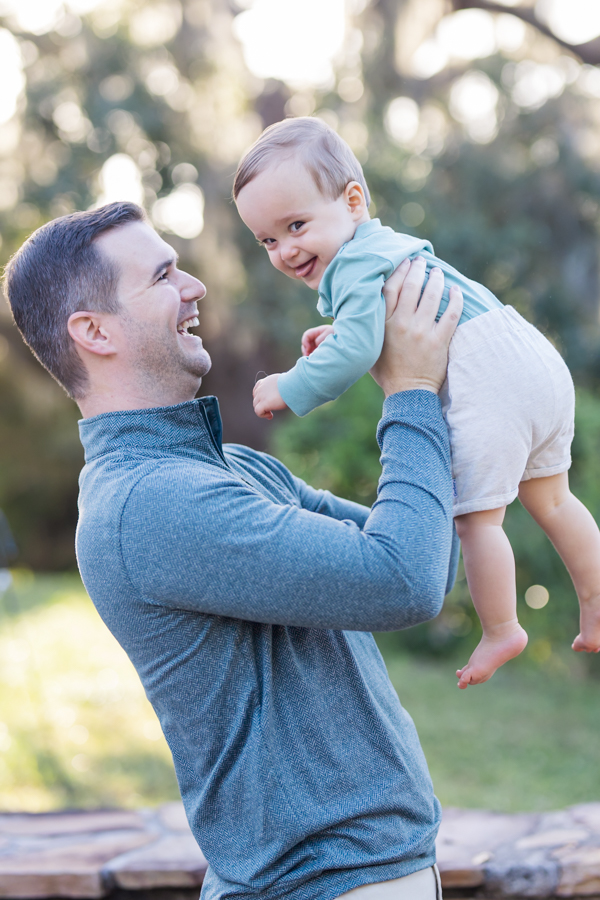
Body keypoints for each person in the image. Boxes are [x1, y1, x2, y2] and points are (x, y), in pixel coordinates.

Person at [4, 201, 463, 900]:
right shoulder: (150, 505)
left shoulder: (237, 471)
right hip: (322, 886)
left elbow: (429, 556)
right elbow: (404, 581)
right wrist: (411, 392)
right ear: (93, 331)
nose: (195, 288)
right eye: (163, 277)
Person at [233, 116, 600, 690]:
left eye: (296, 224)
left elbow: (360, 347)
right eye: (268, 240)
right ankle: (597, 602)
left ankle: (502, 628)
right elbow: (380, 329)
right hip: (527, 355)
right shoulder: (384, 248)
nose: (285, 250)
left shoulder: (353, 260)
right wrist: (344, 337)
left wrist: (293, 384)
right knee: (552, 499)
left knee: (478, 521)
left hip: (489, 377)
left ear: (354, 201)